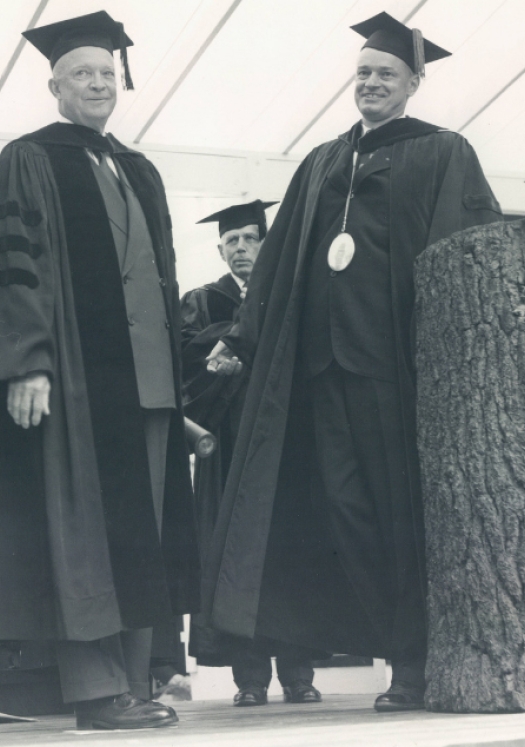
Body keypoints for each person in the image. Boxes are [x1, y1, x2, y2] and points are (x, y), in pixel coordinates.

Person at [204, 12, 502, 712]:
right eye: (364, 73)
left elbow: (469, 257)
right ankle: (374, 645)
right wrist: (241, 339)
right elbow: (276, 267)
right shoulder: (321, 162)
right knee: (340, 511)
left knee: (400, 513)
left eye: (386, 74)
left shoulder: (443, 152)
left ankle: (412, 663)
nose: (371, 83)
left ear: (414, 81)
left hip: (397, 371)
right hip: (318, 374)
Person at [0, 11, 198, 731]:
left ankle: (135, 682)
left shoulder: (139, 168)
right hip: (75, 381)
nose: (99, 84)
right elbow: (12, 270)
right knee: (83, 533)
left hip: (148, 385)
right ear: (54, 84)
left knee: (142, 530)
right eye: (84, 73)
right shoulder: (31, 158)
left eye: (109, 74)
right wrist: (27, 364)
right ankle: (95, 690)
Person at [182, 200, 323, 707]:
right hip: (228, 450)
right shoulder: (202, 300)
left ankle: (300, 675)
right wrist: (238, 340)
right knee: (234, 559)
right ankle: (250, 679)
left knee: (290, 555)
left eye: (250, 238)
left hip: (285, 449)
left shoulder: (289, 296)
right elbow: (189, 358)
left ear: (266, 243)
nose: (241, 248)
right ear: (220, 250)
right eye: (231, 241)